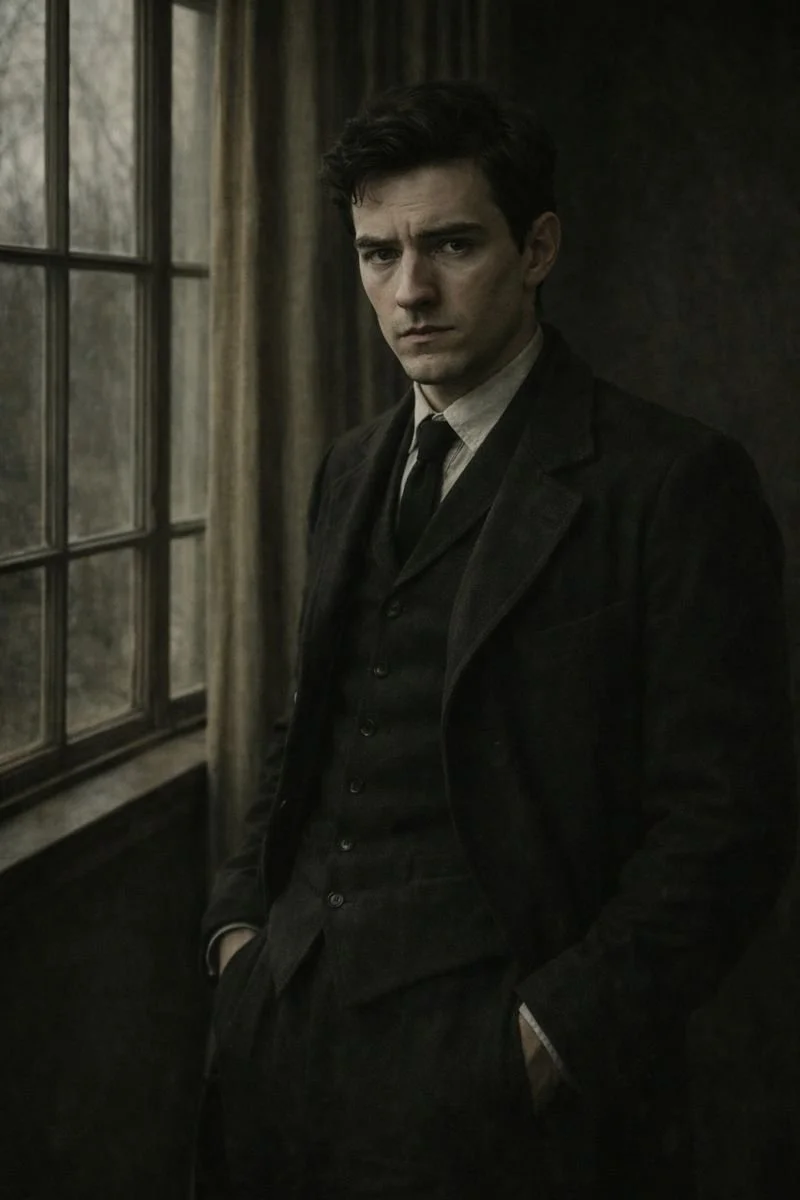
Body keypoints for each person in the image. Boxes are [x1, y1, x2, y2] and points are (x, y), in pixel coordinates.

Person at [200, 80, 796, 1199]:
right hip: (282, 1035)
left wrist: (550, 1037)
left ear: (538, 249)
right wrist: (238, 931)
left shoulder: (671, 483)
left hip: (497, 1080)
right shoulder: (349, 467)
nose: (409, 291)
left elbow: (728, 825)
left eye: (452, 245)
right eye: (377, 254)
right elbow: (311, 726)